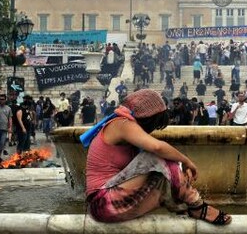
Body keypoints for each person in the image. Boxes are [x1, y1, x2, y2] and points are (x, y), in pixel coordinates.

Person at [84, 89, 231, 225]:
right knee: (155, 156)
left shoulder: (123, 124)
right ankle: (197, 205)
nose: (153, 129)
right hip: (102, 204)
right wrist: (187, 161)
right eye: (156, 123)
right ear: (149, 117)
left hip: (111, 203)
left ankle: (183, 205)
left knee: (162, 169)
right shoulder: (121, 123)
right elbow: (158, 147)